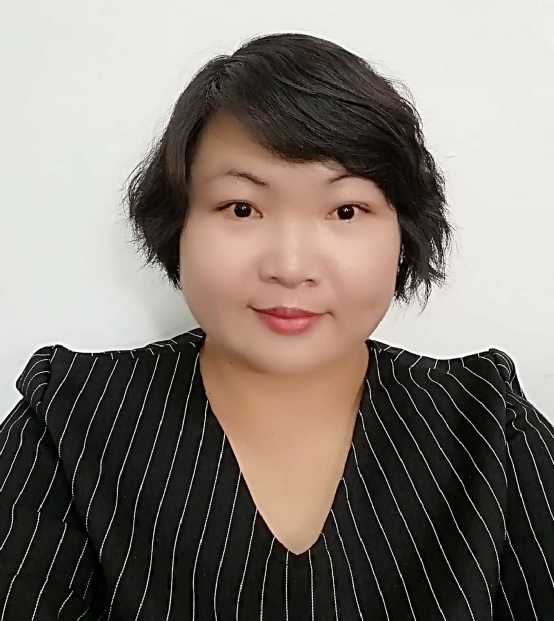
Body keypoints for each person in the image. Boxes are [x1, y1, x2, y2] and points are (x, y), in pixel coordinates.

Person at [1, 32, 553, 620]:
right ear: (177, 223)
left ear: (404, 232)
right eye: (242, 208)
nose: (290, 267)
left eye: (345, 211)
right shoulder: (70, 417)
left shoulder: (486, 424)